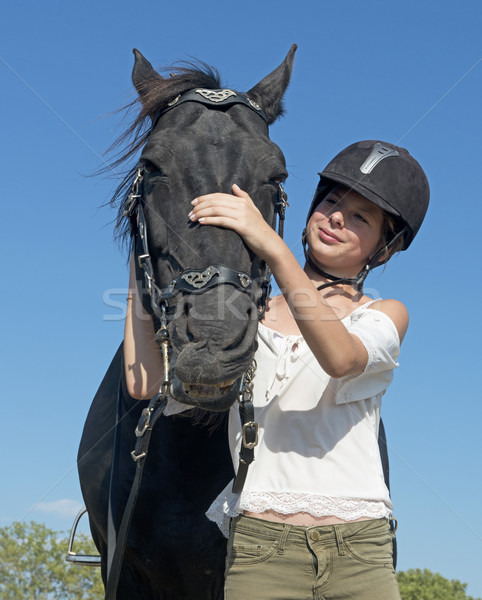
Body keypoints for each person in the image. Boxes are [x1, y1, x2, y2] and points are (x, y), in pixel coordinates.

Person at [125, 140, 429, 600]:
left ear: (383, 250)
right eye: (331, 201)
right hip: (261, 550)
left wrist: (269, 243)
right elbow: (145, 381)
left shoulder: (384, 314)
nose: (337, 217)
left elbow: (340, 358)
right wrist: (142, 256)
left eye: (362, 217)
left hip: (360, 549)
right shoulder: (246, 314)